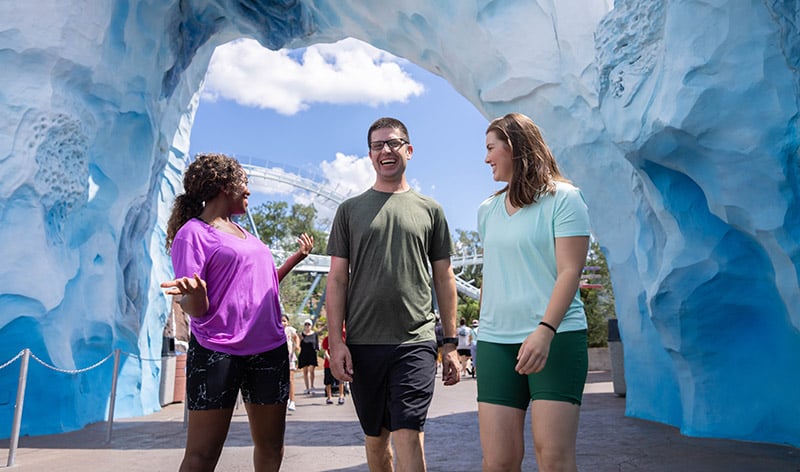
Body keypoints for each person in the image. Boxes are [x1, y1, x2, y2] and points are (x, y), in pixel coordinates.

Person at [160, 152, 313, 472]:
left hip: (269, 350)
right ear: (222, 185)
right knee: (202, 455)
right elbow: (196, 309)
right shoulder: (193, 234)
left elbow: (264, 285)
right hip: (218, 352)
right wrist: (196, 296)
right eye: (244, 182)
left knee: (272, 449)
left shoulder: (248, 237)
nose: (249, 190)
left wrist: (295, 259)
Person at [326, 117, 462, 472]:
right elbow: (337, 280)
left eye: (394, 143)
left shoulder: (430, 210)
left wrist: (449, 343)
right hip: (363, 343)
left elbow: (444, 278)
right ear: (370, 155)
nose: (386, 150)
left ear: (409, 150)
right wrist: (336, 343)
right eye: (378, 145)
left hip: (415, 341)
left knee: (408, 433)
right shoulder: (349, 211)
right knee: (376, 441)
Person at [477, 113, 591, 472]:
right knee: (498, 462)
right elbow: (492, 276)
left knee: (553, 458)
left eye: (491, 148)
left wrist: (545, 331)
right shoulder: (487, 210)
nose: (486, 159)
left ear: (513, 147)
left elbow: (570, 271)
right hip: (496, 342)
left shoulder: (566, 199)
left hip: (556, 337)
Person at [282, 314, 301, 412]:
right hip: (279, 358)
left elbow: (296, 337)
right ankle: (285, 399)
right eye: (281, 321)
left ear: (287, 322)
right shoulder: (276, 330)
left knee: (290, 379)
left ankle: (292, 401)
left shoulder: (289, 330)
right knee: (281, 380)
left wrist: (297, 345)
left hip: (290, 357)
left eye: (284, 321)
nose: (283, 323)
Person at [322, 330, 346, 405]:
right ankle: (329, 397)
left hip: (338, 363)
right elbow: (325, 351)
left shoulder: (340, 339)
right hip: (328, 364)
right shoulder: (326, 339)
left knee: (340, 380)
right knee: (328, 381)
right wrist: (330, 359)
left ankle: (341, 396)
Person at [298, 319, 319, 394]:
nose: (307, 326)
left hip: (312, 354)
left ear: (311, 326)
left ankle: (312, 386)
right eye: (306, 324)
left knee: (312, 371)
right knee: (305, 371)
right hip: (304, 354)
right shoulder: (301, 334)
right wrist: (300, 339)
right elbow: (299, 345)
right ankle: (307, 388)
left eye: (308, 324)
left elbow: (316, 345)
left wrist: (317, 351)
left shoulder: (314, 334)